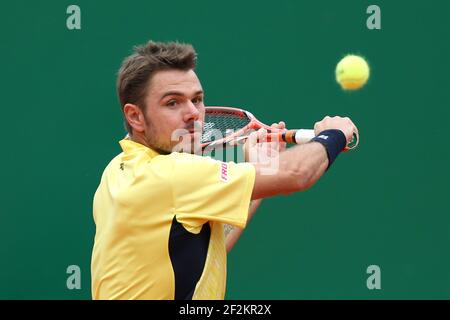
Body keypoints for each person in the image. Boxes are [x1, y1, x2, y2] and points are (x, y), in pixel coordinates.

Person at [91, 41, 358, 300]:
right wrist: (332, 135)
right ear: (135, 116)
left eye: (197, 100)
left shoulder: (117, 170)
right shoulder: (172, 174)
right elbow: (297, 173)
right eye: (173, 103)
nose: (193, 113)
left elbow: (202, 254)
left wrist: (262, 168)